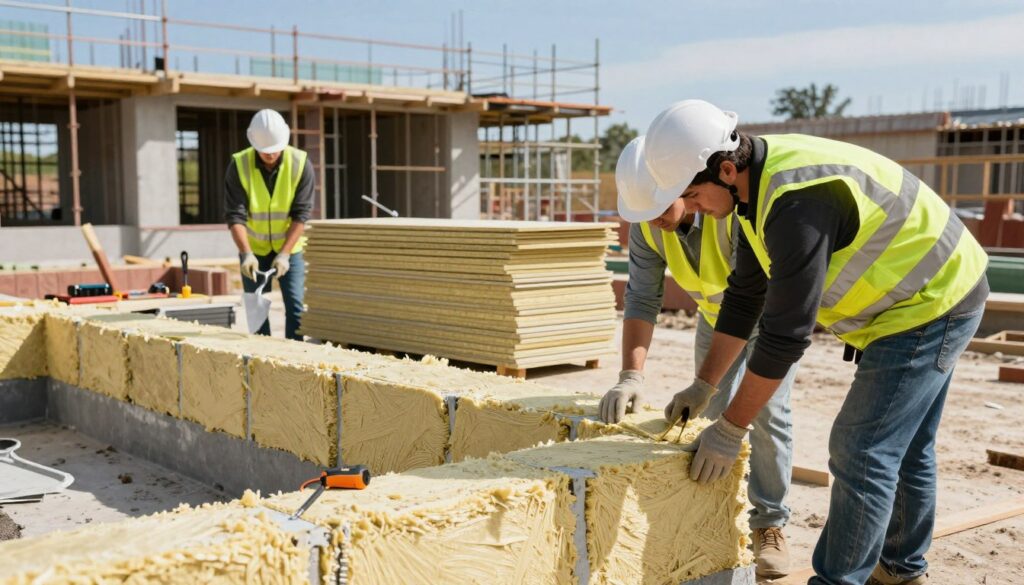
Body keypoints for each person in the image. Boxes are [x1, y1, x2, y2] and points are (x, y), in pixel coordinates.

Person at [641, 99, 988, 585]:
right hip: (913, 298)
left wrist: (730, 428)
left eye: (694, 196)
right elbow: (745, 297)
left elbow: (785, 335)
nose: (693, 209)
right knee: (903, 447)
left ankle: (839, 579)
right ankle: (901, 571)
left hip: (932, 300)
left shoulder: (795, 202)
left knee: (861, 448)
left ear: (724, 168)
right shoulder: (751, 191)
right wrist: (704, 385)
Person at [599, 134, 797, 579]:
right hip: (715, 319)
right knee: (710, 416)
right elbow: (641, 298)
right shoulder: (649, 227)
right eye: (642, 213)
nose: (652, 220)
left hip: (767, 315)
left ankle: (770, 523)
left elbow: (752, 295)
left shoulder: (727, 210)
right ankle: (716, 516)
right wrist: (631, 374)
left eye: (657, 206)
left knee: (766, 414)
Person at [224, 109, 314, 341]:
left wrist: (284, 254)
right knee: (256, 310)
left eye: (275, 149)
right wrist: (246, 253)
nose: (271, 154)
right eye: (265, 151)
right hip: (254, 250)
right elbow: (235, 216)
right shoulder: (239, 165)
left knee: (296, 308)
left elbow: (301, 215)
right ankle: (261, 357)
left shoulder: (300, 164)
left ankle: (296, 358)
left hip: (290, 250)